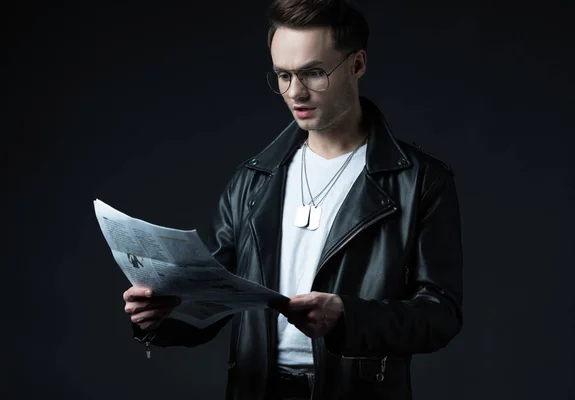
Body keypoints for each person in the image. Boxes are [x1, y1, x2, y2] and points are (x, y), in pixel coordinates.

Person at [122, 0, 463, 399]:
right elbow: (214, 296)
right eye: (283, 75)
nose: (294, 92)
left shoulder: (419, 180)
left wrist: (347, 317)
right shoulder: (252, 181)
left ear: (357, 65)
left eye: (313, 73)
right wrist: (160, 316)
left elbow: (440, 315)